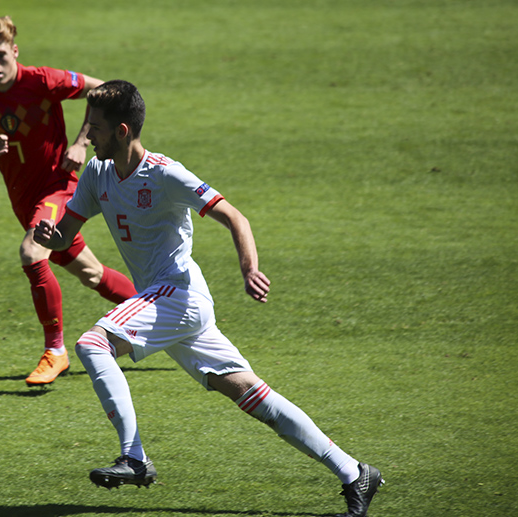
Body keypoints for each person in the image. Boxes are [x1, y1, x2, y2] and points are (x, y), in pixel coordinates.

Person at [34, 80, 383, 517]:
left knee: (92, 343)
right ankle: (355, 472)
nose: (88, 136)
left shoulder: (165, 174)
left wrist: (249, 269)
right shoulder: (98, 173)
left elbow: (234, 216)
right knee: (252, 395)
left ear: (122, 131)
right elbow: (66, 233)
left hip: (179, 294)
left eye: (95, 128)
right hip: (164, 302)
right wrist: (51, 236)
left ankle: (134, 457)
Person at [0, 16, 138, 386]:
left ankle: (55, 351)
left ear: (15, 51)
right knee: (92, 274)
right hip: (24, 201)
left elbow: (103, 89)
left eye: (0, 55)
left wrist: (81, 142)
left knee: (32, 252)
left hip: (58, 188)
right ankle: (162, 313)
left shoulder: (42, 81)